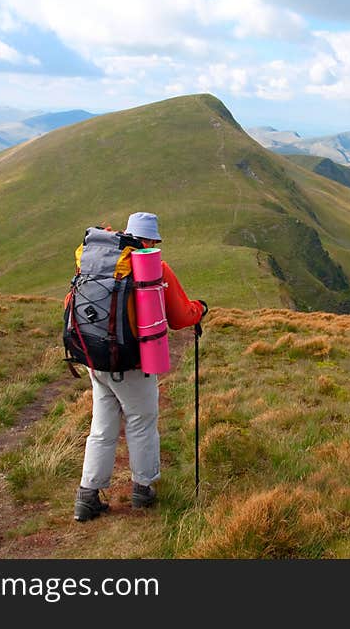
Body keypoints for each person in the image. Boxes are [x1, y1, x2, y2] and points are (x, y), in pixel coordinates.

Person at [74, 211, 207, 522]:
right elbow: (180, 318)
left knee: (101, 430)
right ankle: (143, 490)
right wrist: (200, 309)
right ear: (151, 239)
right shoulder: (153, 268)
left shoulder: (101, 263)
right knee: (141, 423)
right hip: (133, 365)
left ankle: (87, 497)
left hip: (97, 360)